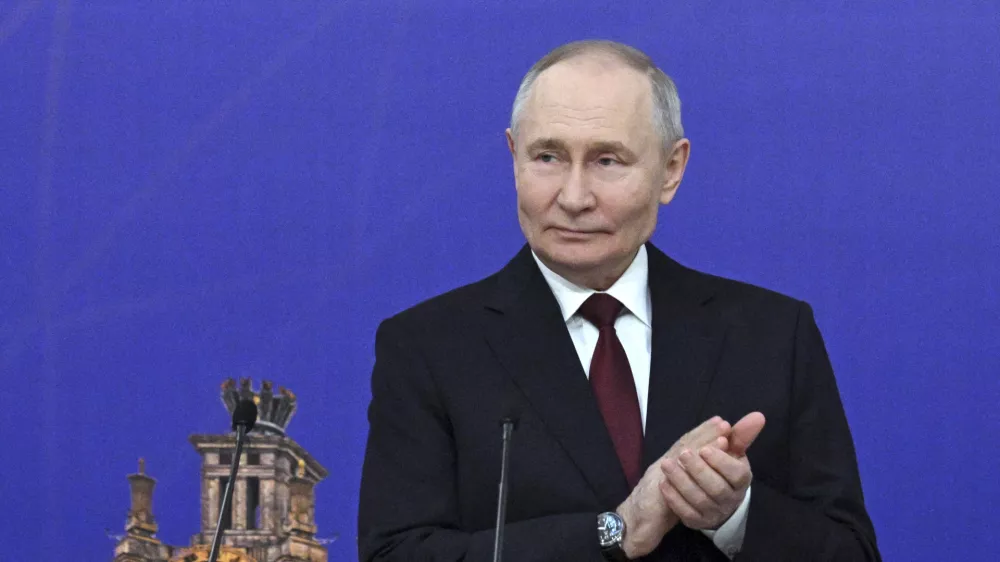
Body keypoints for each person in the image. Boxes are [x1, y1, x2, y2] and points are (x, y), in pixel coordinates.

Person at [358, 39, 880, 561]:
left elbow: (851, 554)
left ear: (671, 170)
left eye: (607, 160)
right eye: (547, 157)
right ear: (513, 156)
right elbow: (397, 555)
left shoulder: (771, 334)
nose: (574, 196)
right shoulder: (429, 347)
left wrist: (735, 515)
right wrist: (615, 530)